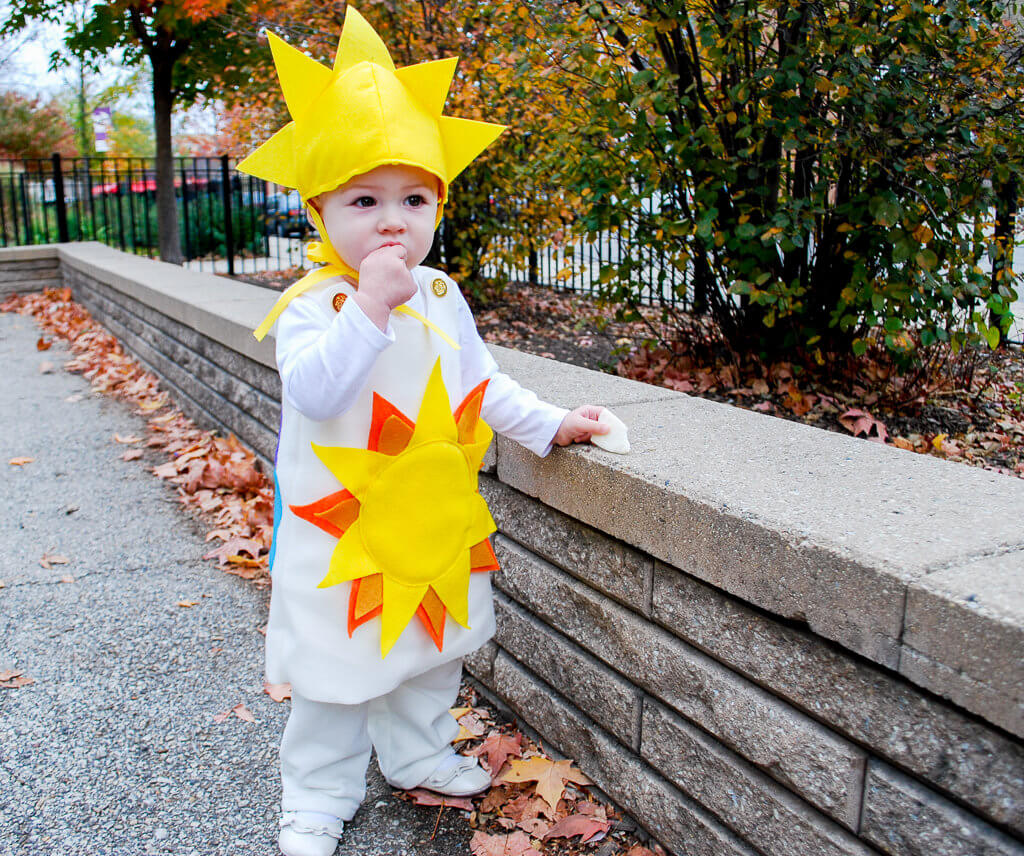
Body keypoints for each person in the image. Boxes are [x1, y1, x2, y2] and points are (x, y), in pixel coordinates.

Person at [237, 8, 616, 856]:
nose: (392, 221)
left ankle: (417, 750)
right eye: (364, 201)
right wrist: (370, 304)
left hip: (434, 518)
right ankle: (317, 795)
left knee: (429, 653)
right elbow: (316, 387)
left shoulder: (442, 295)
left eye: (414, 199)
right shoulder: (315, 309)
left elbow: (480, 384)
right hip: (345, 527)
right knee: (336, 672)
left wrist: (552, 424)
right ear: (318, 211)